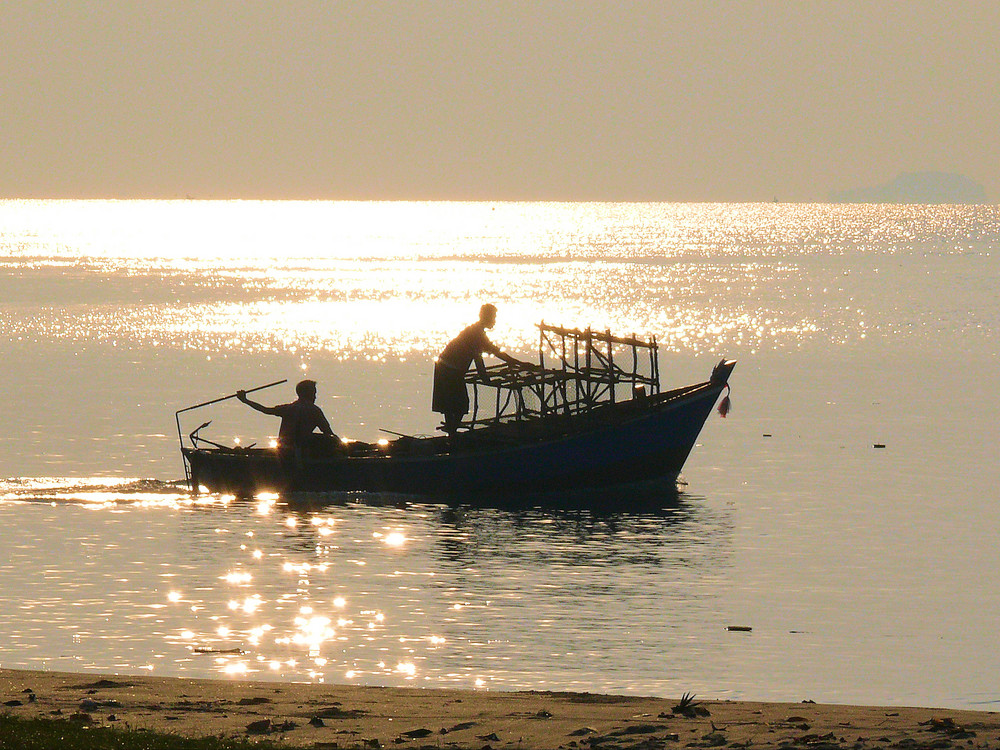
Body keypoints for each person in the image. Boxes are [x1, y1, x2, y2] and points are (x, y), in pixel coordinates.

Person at [432, 304, 530, 437]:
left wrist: (519, 363)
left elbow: (496, 351)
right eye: (493, 317)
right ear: (486, 317)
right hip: (448, 369)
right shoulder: (475, 333)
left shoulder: (478, 332)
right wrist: (485, 379)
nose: (494, 321)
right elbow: (478, 360)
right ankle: (452, 435)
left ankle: (451, 435)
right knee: (459, 405)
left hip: (445, 368)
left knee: (452, 406)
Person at [237, 379, 339, 460]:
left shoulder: (287, 408)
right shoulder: (314, 410)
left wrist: (245, 400)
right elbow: (328, 433)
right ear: (307, 394)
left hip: (283, 449)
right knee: (332, 441)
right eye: (314, 393)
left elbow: (265, 410)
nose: (315, 397)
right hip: (297, 450)